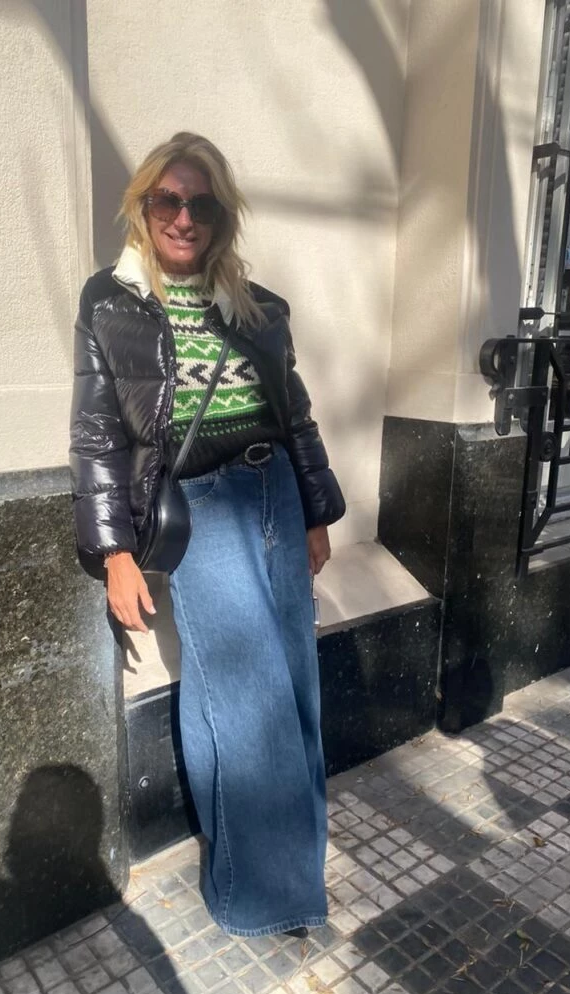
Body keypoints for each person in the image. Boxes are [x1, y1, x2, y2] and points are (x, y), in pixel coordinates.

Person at [69, 132, 345, 938]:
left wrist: (317, 511)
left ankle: (278, 873)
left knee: (289, 683)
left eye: (202, 203)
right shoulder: (110, 301)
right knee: (246, 697)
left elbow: (294, 414)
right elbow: (96, 435)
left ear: (223, 216)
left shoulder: (257, 307)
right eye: (168, 200)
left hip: (276, 494)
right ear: (144, 206)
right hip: (200, 506)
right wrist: (115, 555)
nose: (184, 217)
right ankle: (264, 896)